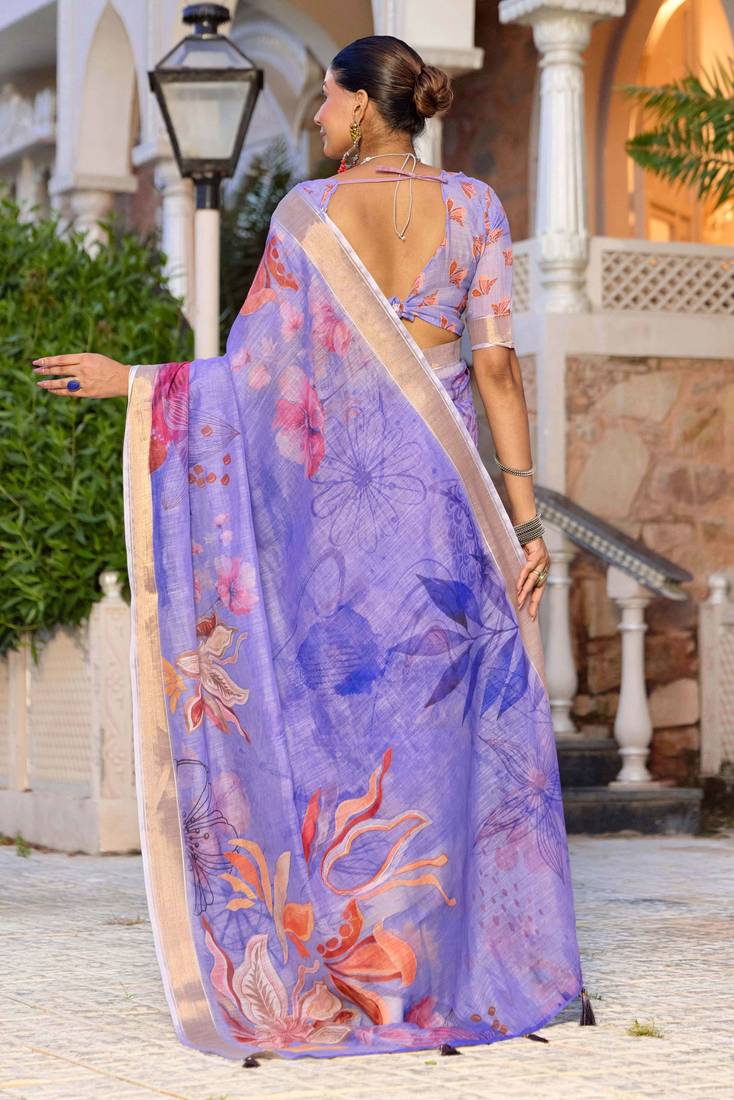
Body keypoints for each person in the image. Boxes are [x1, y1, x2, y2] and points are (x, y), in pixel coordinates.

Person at [32, 35, 593, 1062]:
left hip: (343, 516)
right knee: (439, 726)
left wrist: (139, 384)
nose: (321, 117)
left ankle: (364, 969)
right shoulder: (477, 207)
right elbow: (498, 372)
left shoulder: (308, 216)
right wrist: (524, 518)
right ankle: (448, 971)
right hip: (447, 507)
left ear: (362, 107)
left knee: (349, 723)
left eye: (329, 101)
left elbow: (255, 378)